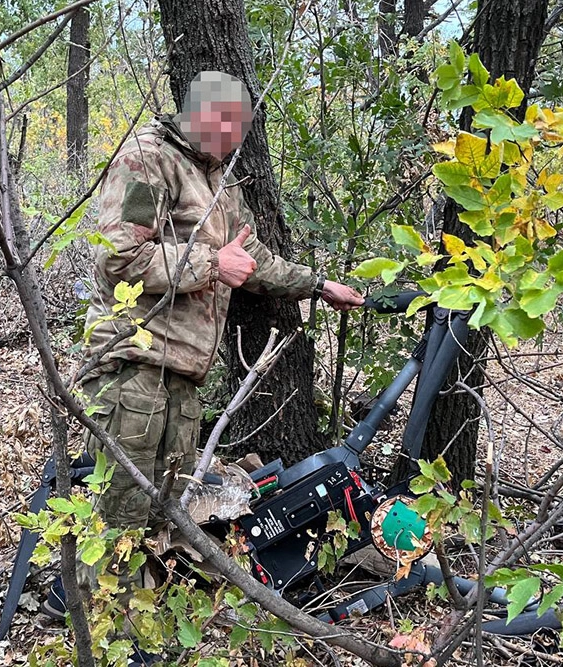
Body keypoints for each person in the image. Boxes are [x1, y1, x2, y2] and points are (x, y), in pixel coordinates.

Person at [44, 71, 363, 663]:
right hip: (132, 368)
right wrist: (211, 264)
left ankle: (137, 633)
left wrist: (318, 285)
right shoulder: (148, 159)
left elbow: (253, 259)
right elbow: (119, 259)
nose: (241, 138)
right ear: (208, 116)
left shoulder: (221, 185)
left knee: (161, 515)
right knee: (119, 516)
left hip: (180, 380)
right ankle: (101, 643)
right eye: (235, 125)